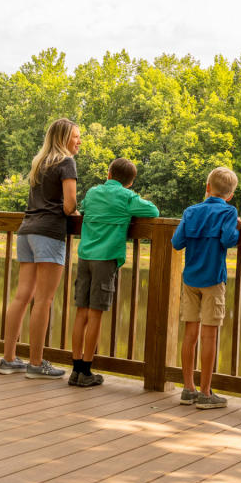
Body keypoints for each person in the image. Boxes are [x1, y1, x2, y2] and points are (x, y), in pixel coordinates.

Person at [0, 118, 80, 379]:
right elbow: (69, 204)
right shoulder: (66, 162)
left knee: (22, 296)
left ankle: (9, 359)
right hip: (48, 233)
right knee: (43, 300)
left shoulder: (40, 162)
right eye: (76, 137)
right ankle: (36, 363)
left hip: (27, 231)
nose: (79, 142)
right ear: (64, 138)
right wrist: (75, 212)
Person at [67, 157, 159, 387]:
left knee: (81, 312)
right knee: (95, 313)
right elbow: (153, 211)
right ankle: (86, 370)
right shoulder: (127, 197)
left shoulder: (93, 193)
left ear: (108, 174)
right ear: (130, 182)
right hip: (105, 259)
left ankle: (75, 368)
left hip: (85, 255)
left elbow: (84, 208)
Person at [171, 167, 241, 409]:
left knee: (190, 334)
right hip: (213, 279)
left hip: (190, 279)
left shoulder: (191, 211)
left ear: (207, 187)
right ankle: (206, 393)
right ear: (230, 195)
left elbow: (176, 242)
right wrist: (237, 225)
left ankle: (188, 389)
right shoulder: (228, 211)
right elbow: (229, 240)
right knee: (209, 335)